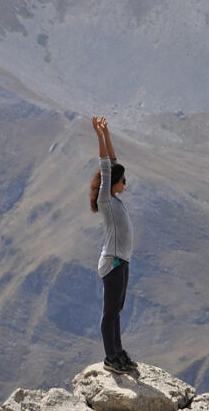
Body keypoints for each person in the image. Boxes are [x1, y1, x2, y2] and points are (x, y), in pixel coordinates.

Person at [89, 115, 138, 375]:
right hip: (113, 261)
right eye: (123, 180)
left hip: (122, 260)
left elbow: (114, 163)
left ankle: (118, 352)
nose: (124, 183)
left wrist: (108, 134)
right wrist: (98, 137)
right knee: (110, 313)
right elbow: (107, 167)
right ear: (114, 183)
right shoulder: (106, 200)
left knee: (117, 309)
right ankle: (110, 358)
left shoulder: (115, 200)